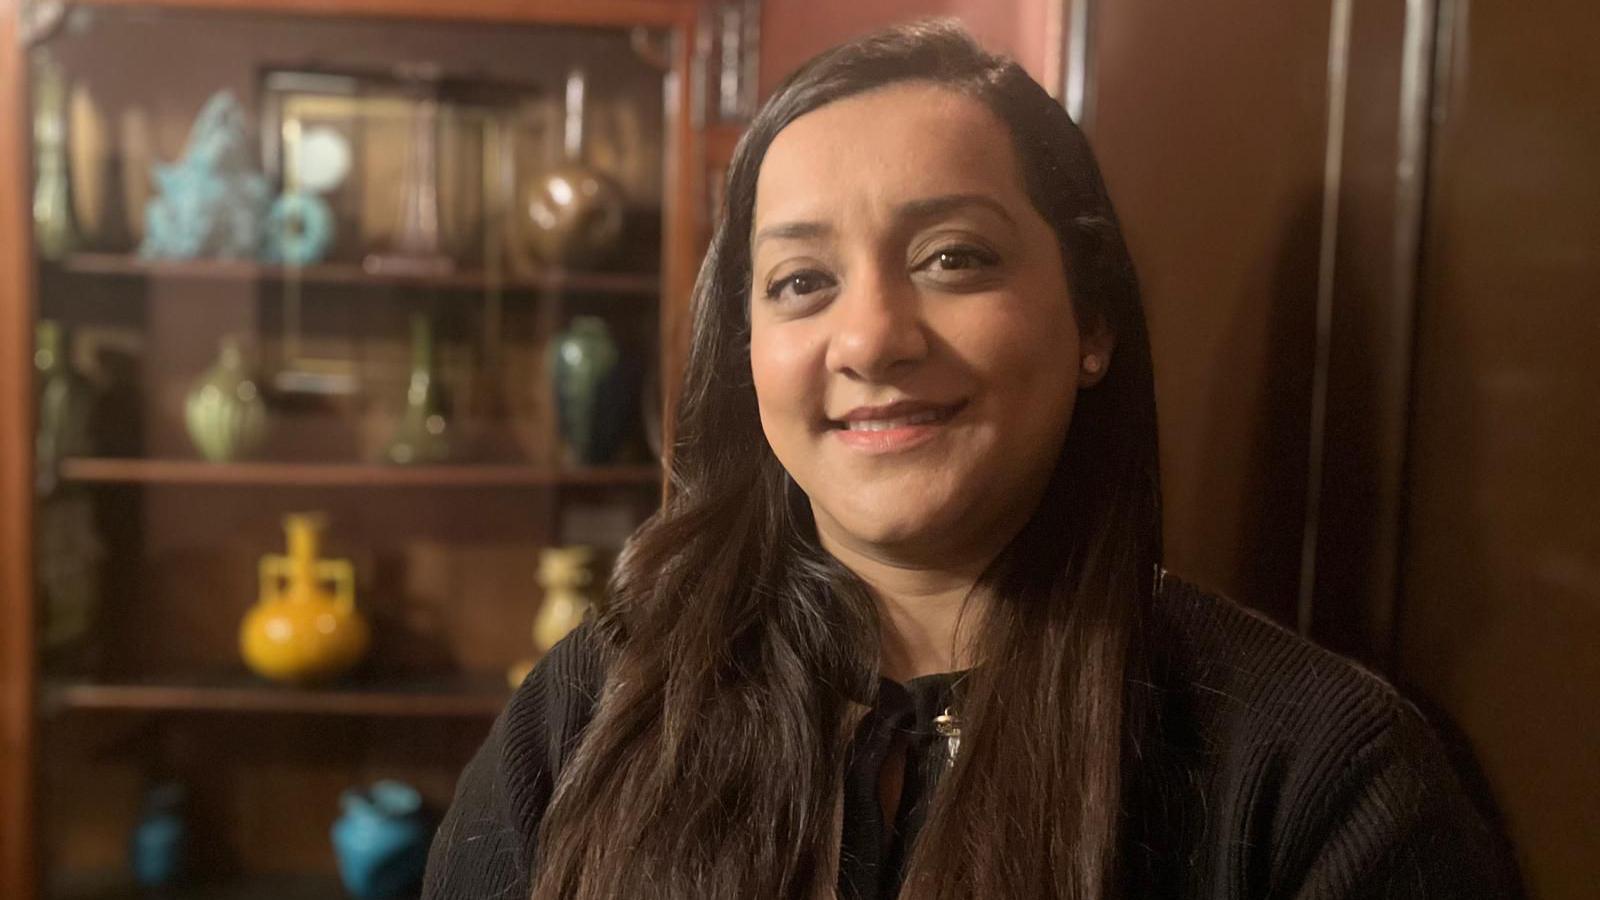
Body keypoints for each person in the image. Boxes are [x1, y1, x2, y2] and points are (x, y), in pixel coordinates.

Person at [423, 20, 1515, 900]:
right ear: (746, 349)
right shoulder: (603, 699)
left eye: (952, 257)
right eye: (802, 281)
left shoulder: (1317, 774)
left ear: (1089, 320)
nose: (871, 339)